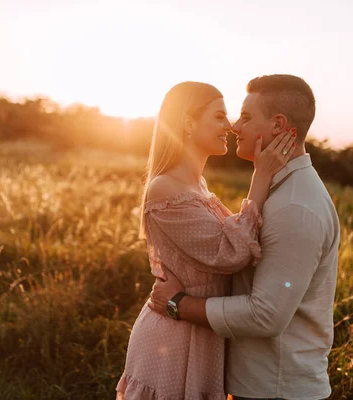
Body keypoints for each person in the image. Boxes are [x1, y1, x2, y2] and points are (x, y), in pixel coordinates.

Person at [149, 75, 340, 400]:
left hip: (276, 388)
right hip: (259, 383)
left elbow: (265, 315)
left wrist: (178, 304)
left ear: (278, 125)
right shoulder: (280, 192)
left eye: (246, 117)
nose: (236, 126)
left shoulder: (295, 206)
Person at [116, 81, 296, 400]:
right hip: (173, 341)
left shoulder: (197, 185)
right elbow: (231, 254)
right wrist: (262, 176)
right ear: (188, 123)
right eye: (218, 116)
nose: (228, 125)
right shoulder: (165, 189)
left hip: (201, 331)